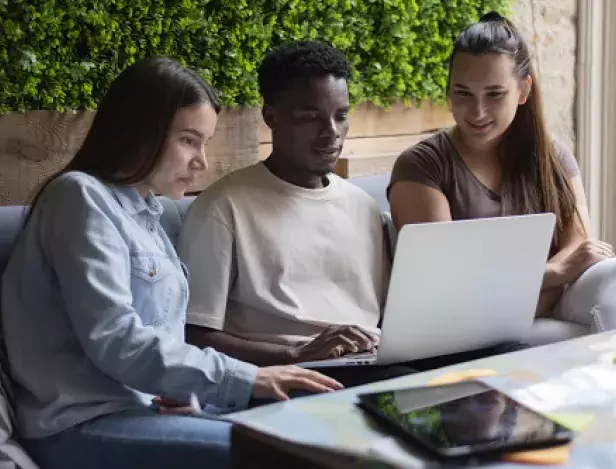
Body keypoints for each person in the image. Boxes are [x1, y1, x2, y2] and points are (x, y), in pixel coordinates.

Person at [0, 57, 342, 469]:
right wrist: (249, 376)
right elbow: (116, 339)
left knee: (324, 409)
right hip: (82, 422)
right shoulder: (79, 199)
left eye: (205, 144)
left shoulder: (149, 215)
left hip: (147, 410)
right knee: (286, 452)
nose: (202, 162)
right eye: (188, 141)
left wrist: (188, 396)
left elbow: (164, 340)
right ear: (140, 131)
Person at [177, 40, 524, 389]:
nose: (331, 132)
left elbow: (393, 314)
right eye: (311, 118)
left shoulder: (363, 206)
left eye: (341, 116)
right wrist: (298, 355)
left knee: (510, 356)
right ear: (272, 117)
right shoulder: (224, 207)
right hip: (299, 370)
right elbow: (195, 336)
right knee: (406, 387)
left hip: (373, 357)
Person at [388, 11, 616, 335]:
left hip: (546, 302)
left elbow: (578, 248)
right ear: (449, 90)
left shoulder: (552, 155)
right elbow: (446, 282)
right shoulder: (421, 165)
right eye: (463, 93)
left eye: (495, 94)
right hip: (466, 323)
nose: (477, 112)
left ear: (523, 91)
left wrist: (541, 286)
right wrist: (550, 274)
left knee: (612, 277)